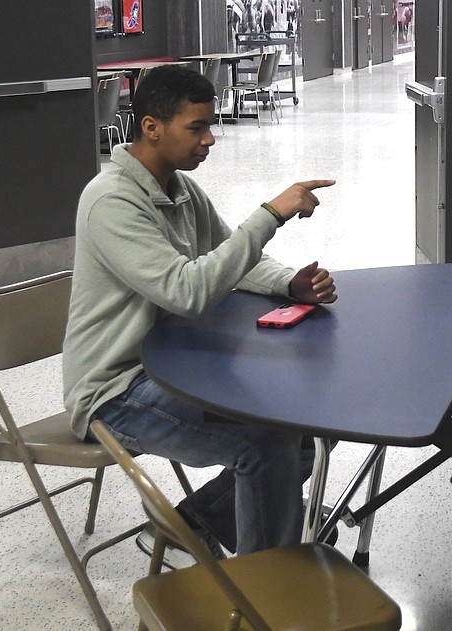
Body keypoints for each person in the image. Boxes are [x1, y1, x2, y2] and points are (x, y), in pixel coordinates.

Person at [63, 65, 337, 558]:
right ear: (151, 127)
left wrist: (288, 282)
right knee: (265, 446)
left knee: (304, 426)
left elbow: (230, 258)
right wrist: (270, 214)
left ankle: (189, 525)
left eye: (210, 125)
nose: (210, 138)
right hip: (117, 389)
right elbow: (189, 290)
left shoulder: (180, 189)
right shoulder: (110, 202)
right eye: (197, 127)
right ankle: (264, 594)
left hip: (176, 366)